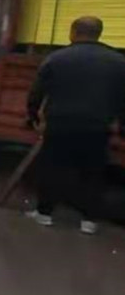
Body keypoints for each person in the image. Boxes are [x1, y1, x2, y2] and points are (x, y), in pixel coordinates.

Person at [26, 16, 125, 235]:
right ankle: (89, 221)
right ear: (99, 33)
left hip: (60, 124)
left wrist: (33, 117)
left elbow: (37, 92)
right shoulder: (119, 62)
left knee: (53, 168)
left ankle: (44, 213)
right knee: (94, 172)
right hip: (97, 127)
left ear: (73, 32)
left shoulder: (57, 58)